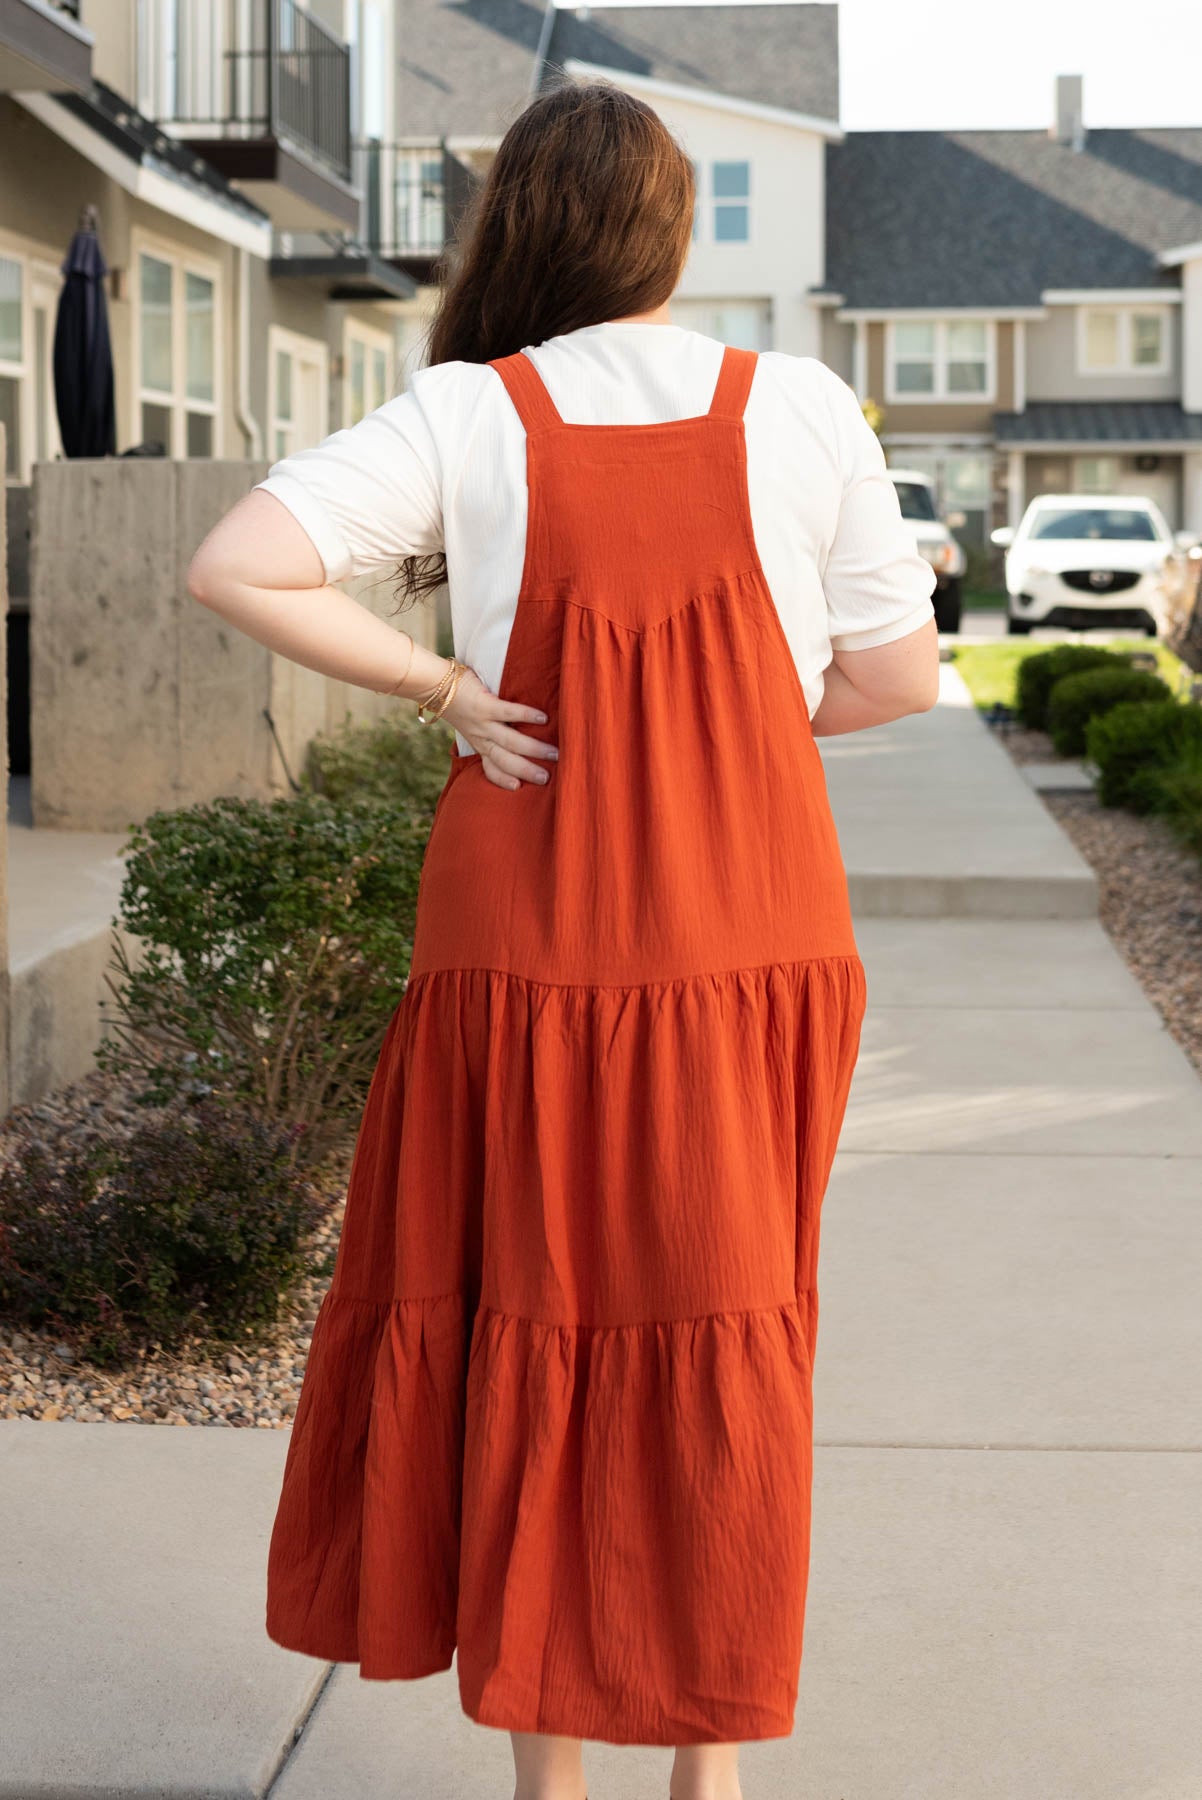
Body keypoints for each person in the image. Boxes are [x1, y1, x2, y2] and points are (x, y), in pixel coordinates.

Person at [187, 80, 939, 1800]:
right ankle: (712, 1769)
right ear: (671, 235)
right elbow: (894, 674)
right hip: (748, 933)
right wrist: (742, 723)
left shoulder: (467, 413)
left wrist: (449, 685)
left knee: (537, 1313)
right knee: (727, 1316)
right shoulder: (802, 406)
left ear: (515, 227)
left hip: (525, 949)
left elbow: (241, 563)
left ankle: (555, 1782)